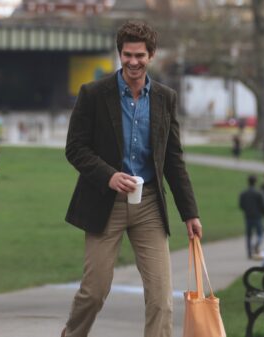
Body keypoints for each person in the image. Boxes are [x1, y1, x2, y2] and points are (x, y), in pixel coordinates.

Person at [61, 21, 202, 337]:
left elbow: (174, 159)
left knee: (161, 299)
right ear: (119, 54)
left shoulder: (165, 98)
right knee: (95, 291)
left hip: (149, 203)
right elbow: (75, 148)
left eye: (140, 55)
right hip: (104, 202)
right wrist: (109, 176)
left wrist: (189, 213)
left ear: (151, 55)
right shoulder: (94, 94)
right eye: (127, 55)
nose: (133, 62)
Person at [239, 175, 264, 259]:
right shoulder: (259, 193)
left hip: (248, 216)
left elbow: (241, 205)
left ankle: (249, 253)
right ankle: (256, 246)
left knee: (249, 235)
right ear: (255, 182)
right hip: (257, 216)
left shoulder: (244, 193)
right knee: (260, 234)